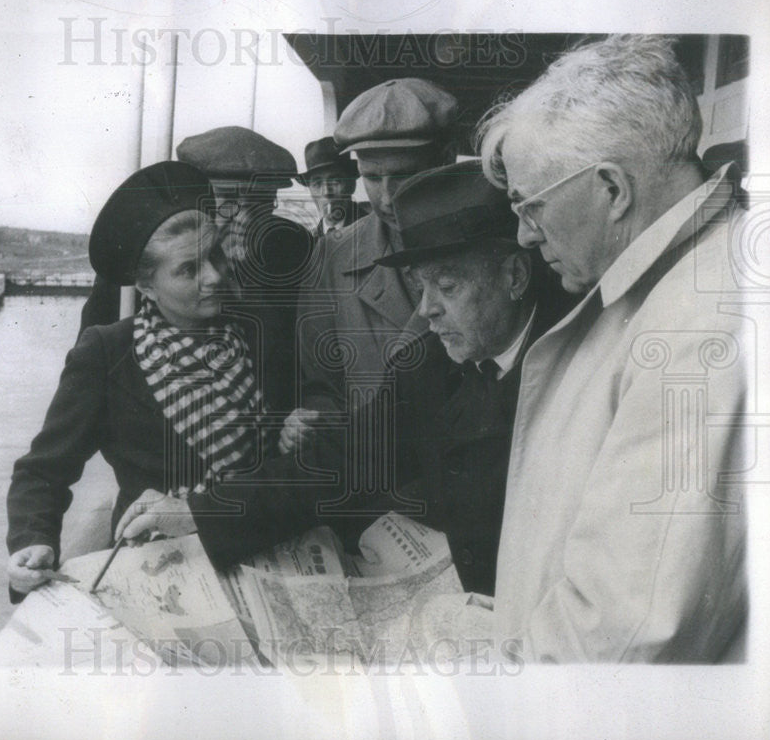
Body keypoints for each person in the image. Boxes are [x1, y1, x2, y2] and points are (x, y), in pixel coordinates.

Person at [114, 162, 575, 597]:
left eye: (448, 287)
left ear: (515, 275)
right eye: (420, 286)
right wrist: (199, 512)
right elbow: (343, 459)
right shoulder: (430, 363)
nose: (427, 309)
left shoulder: (582, 357)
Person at [475, 34, 755, 661]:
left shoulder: (702, 323)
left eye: (530, 204)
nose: (523, 234)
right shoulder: (677, 283)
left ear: (611, 189)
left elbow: (626, 629)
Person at [5, 161, 274, 599]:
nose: (214, 276)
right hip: (155, 562)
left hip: (256, 539)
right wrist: (32, 540)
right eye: (189, 269)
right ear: (146, 287)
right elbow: (43, 471)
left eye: (216, 256)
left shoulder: (257, 332)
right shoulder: (108, 353)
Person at [284, 79, 461, 451]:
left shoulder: (490, 250)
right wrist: (311, 424)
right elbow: (322, 388)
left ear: (445, 159)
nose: (386, 196)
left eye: (403, 175)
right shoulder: (331, 258)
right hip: (369, 476)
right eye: (371, 177)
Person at [176, 126, 314, 415]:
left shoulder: (293, 250)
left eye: (261, 202)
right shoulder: (154, 261)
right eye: (227, 200)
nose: (245, 218)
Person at [297, 136, 371, 237]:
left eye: (335, 182)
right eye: (317, 184)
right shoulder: (310, 240)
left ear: (352, 185)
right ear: (310, 192)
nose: (327, 192)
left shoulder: (371, 232)